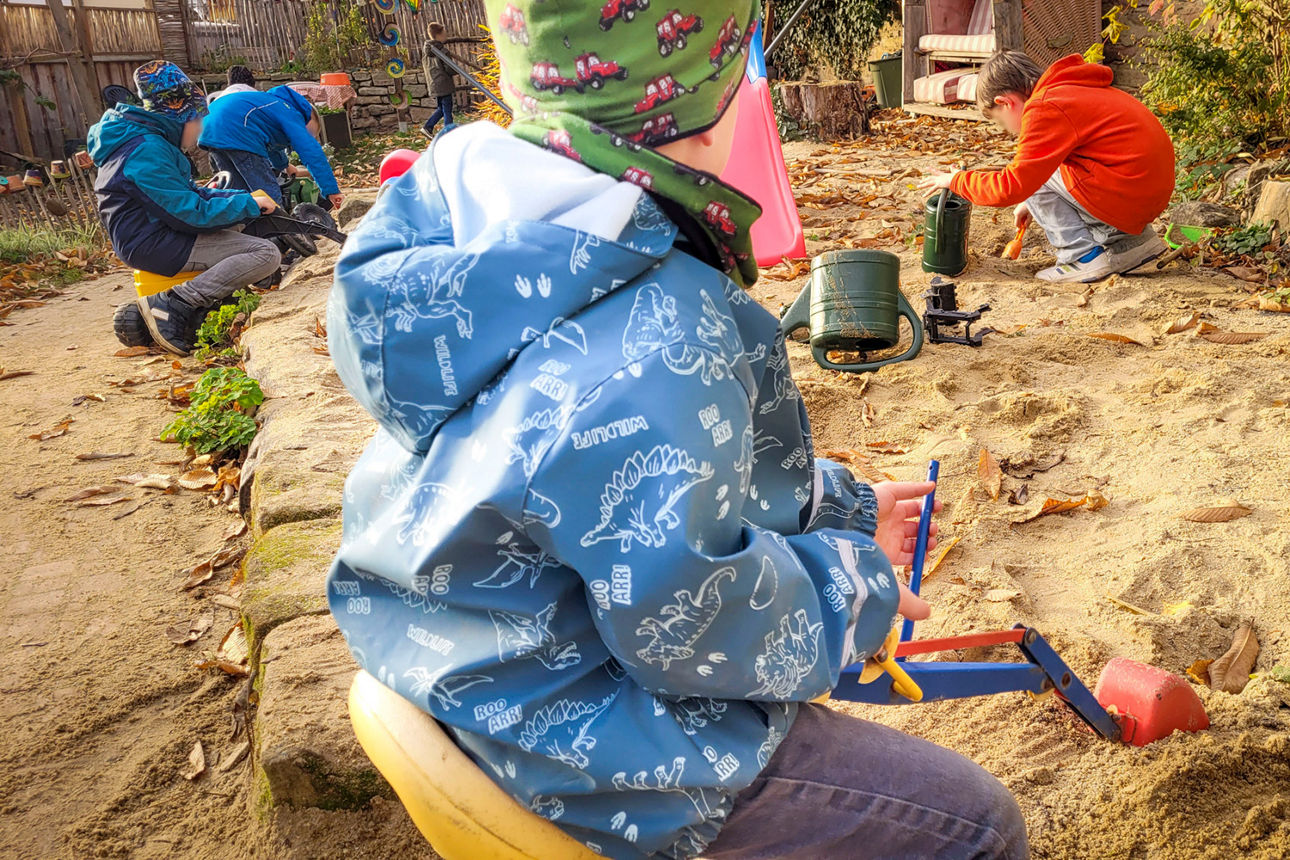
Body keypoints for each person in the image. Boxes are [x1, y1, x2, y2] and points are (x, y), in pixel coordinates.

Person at [324, 0, 1029, 858]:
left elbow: (601, 487)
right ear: (702, 116)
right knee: (975, 824)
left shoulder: (471, 233)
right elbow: (687, 622)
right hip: (593, 759)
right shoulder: (659, 323)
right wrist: (854, 590)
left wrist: (834, 512)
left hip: (466, 673)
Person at [920, 51, 1174, 284]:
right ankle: (1132, 243)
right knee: (1037, 176)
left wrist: (956, 181)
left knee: (1028, 179)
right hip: (1144, 189)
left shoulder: (1044, 107)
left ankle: (1082, 257)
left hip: (1126, 190)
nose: (1008, 129)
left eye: (1000, 120)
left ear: (1006, 102)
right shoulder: (1069, 90)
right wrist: (1032, 202)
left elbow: (1012, 186)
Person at [89, 60, 280, 356]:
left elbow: (182, 195)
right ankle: (175, 303)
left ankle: (192, 300)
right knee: (264, 253)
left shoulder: (146, 142)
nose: (201, 129)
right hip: (152, 240)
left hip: (152, 232)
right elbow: (188, 213)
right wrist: (245, 204)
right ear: (180, 117)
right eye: (198, 120)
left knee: (240, 222)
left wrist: (238, 199)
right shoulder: (147, 151)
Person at [198, 84, 343, 210]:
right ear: (306, 119)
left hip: (209, 130)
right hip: (239, 133)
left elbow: (273, 144)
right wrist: (332, 190)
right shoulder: (291, 112)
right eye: (309, 133)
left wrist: (284, 165)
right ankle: (278, 236)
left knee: (240, 192)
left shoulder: (269, 105)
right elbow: (311, 152)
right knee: (268, 194)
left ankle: (250, 233)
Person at [420, 22, 457, 139]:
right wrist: (455, 70)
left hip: (434, 84)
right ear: (438, 35)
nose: (446, 35)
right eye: (444, 33)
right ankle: (449, 134)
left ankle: (428, 127)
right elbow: (449, 68)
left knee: (442, 108)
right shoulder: (441, 51)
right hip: (443, 84)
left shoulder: (427, 51)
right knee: (447, 110)